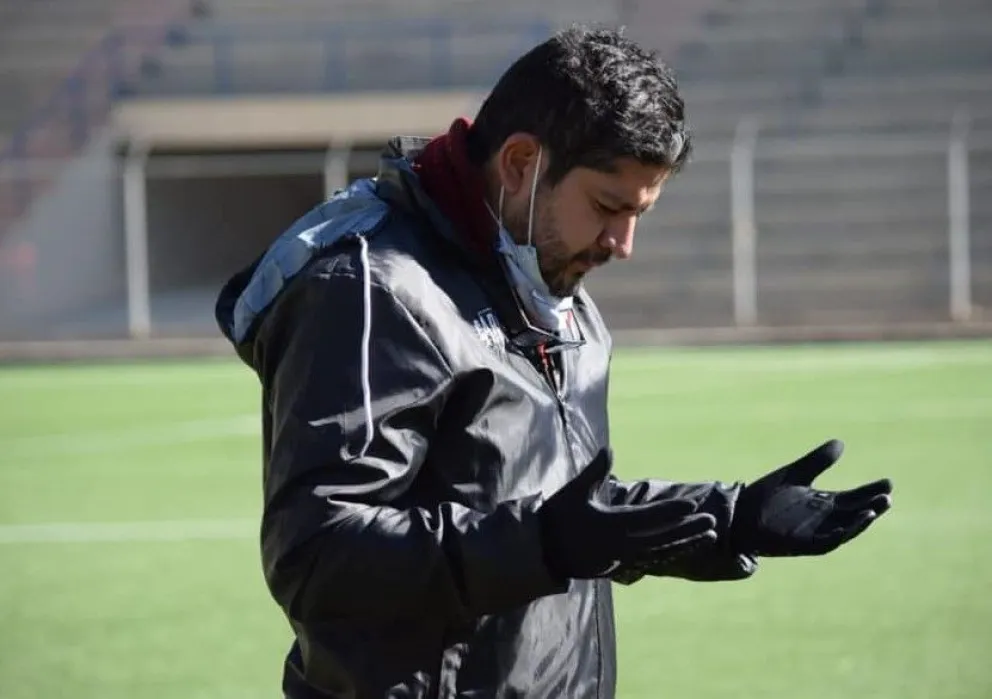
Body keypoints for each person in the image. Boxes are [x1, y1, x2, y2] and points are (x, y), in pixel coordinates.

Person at [215, 25, 893, 699]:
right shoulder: (371, 289)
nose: (622, 243)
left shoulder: (551, 285)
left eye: (639, 214)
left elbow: (570, 510)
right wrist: (545, 542)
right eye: (607, 205)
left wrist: (727, 516)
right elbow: (318, 556)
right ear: (519, 163)